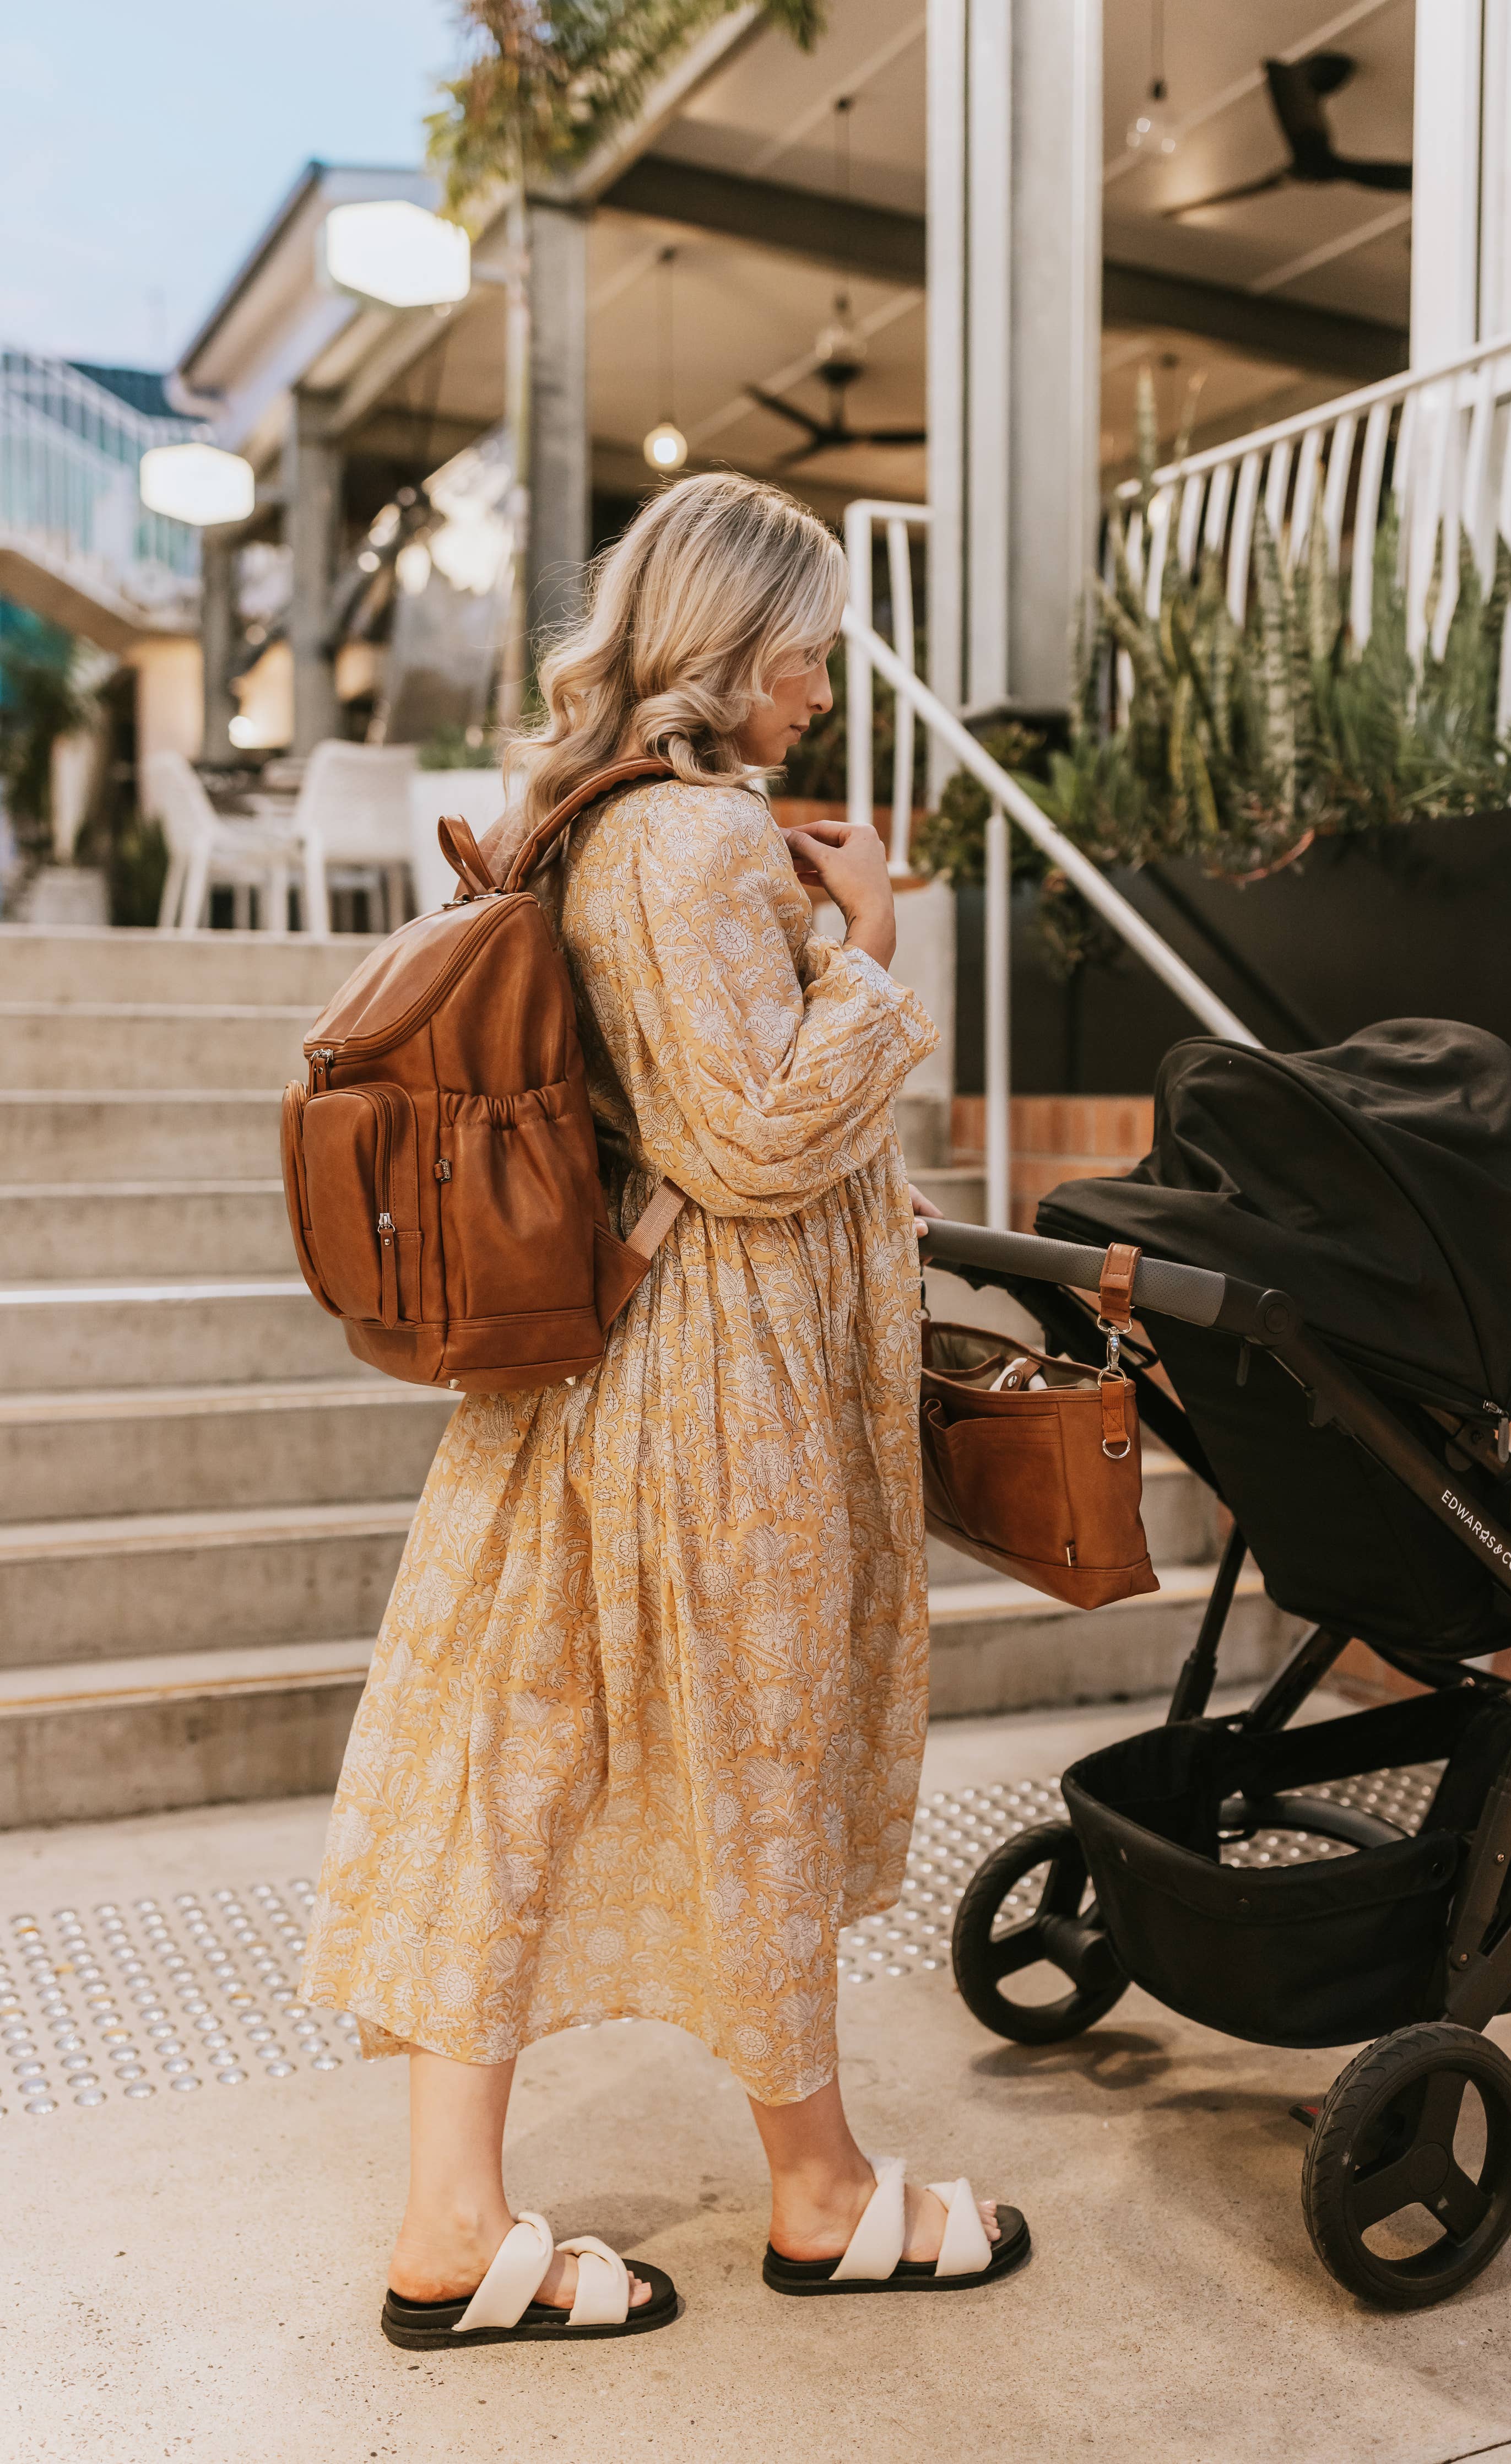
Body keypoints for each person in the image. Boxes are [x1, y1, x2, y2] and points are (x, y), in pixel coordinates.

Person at [301, 471, 1029, 2349]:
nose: (819, 695)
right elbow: (758, 1131)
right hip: (714, 1389)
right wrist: (868, 941)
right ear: (734, 636)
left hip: (589, 1382)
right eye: (809, 655)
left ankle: (452, 2222)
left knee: (514, 1779)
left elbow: (669, 1105)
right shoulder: (696, 840)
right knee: (754, 1766)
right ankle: (825, 2190)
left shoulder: (583, 820)